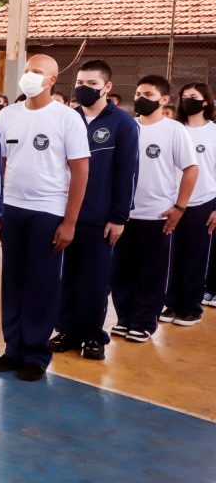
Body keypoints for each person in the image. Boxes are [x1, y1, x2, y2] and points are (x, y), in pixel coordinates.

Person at [0, 55, 89, 381]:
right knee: (13, 282)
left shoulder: (67, 118)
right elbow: (0, 165)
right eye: (28, 70)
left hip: (49, 211)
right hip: (13, 209)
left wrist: (70, 222)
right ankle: (13, 348)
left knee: (42, 284)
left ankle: (35, 353)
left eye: (37, 72)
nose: (29, 76)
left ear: (52, 79)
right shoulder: (7, 115)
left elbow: (80, 171)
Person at [50, 60, 138, 361]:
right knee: (66, 276)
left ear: (107, 87)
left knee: (95, 279)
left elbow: (127, 173)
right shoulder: (65, 118)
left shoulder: (122, 124)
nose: (84, 89)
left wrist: (118, 217)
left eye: (92, 84)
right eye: (80, 83)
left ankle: (92, 334)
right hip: (62, 214)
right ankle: (65, 329)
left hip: (100, 218)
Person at [112, 75, 198, 342]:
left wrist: (179, 207)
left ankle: (144, 322)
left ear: (164, 100)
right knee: (121, 270)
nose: (140, 98)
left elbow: (191, 169)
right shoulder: (127, 127)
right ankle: (124, 318)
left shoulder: (174, 130)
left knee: (152, 271)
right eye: (138, 93)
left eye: (148, 94)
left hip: (157, 214)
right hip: (124, 213)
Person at [162, 82, 216, 326]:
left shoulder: (213, 131)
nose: (187, 101)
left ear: (206, 101)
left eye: (193, 97)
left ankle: (191, 307)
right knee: (174, 254)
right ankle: (172, 303)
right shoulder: (174, 128)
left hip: (204, 200)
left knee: (196, 255)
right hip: (173, 201)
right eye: (183, 97)